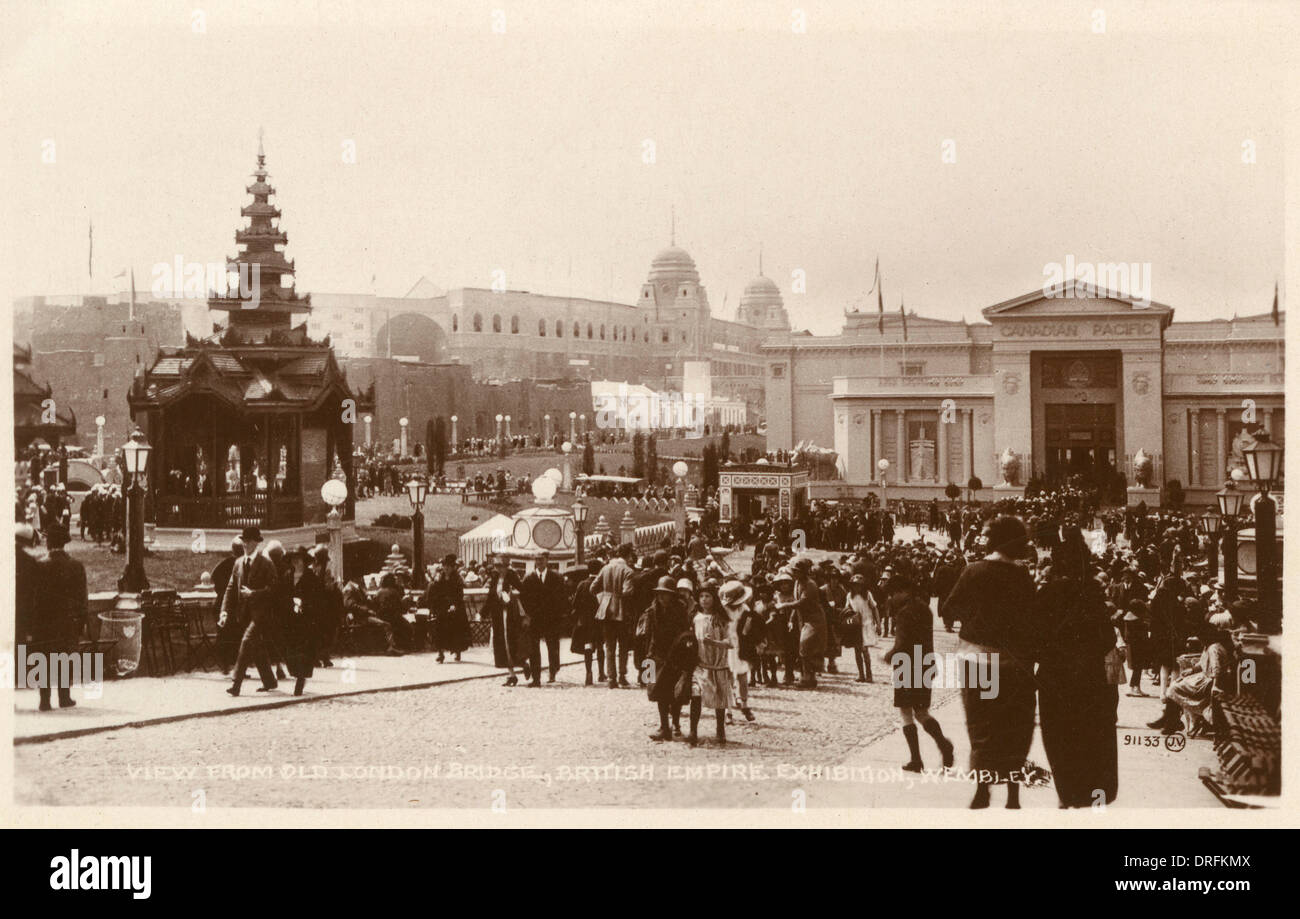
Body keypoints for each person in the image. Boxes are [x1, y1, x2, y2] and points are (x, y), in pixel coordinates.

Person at [943, 514, 1038, 809]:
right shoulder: (1023, 576)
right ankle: (1013, 795)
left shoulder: (974, 571)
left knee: (981, 724)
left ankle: (982, 789)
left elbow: (950, 608)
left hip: (977, 660)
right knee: (1015, 725)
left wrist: (977, 615)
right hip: (1015, 664)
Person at [1035, 527, 1118, 807]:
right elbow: (1107, 637)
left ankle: (1065, 794)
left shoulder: (1046, 594)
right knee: (1087, 735)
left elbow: (1032, 638)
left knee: (1058, 736)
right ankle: (1087, 793)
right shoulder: (1093, 594)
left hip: (1054, 678)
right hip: (1088, 678)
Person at [883, 559, 954, 772]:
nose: (891, 598)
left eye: (892, 593)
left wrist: (888, 655)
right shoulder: (924, 608)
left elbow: (903, 643)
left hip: (906, 665)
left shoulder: (904, 612)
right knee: (922, 712)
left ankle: (916, 759)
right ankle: (943, 744)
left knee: (906, 712)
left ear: (902, 592)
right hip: (925, 663)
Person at [221, 526, 280, 696]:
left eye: (248, 542)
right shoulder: (238, 563)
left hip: (262, 615)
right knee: (256, 647)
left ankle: (236, 684)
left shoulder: (266, 563)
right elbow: (230, 589)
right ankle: (270, 681)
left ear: (256, 543)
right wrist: (224, 611)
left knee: (247, 642)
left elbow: (275, 589)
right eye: (243, 541)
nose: (245, 544)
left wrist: (254, 594)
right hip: (244, 614)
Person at [34, 525, 85, 711]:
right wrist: (81, 622)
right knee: (65, 658)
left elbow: (35, 598)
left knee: (44, 659)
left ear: (48, 543)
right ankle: (65, 697)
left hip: (45, 621)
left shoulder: (40, 565)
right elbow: (82, 599)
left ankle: (44, 700)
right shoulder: (76, 566)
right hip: (68, 620)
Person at [645, 575, 692, 740]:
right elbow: (649, 637)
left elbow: (685, 634)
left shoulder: (680, 611)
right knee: (658, 692)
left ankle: (676, 724)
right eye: (659, 594)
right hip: (657, 657)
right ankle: (664, 727)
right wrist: (648, 659)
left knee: (676, 694)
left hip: (676, 657)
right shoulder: (652, 611)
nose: (662, 597)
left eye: (666, 594)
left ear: (672, 595)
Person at [690, 583, 735, 746]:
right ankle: (693, 731)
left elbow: (730, 643)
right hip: (700, 665)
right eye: (701, 596)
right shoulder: (695, 618)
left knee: (720, 700)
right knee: (695, 696)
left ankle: (720, 731)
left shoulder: (721, 619)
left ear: (713, 598)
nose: (704, 599)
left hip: (718, 665)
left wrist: (714, 643)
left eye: (707, 596)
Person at [590, 543, 635, 688]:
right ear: (628, 556)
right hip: (621, 611)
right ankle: (622, 676)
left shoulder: (605, 568)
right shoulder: (628, 571)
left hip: (605, 611)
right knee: (623, 646)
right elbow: (627, 591)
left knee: (609, 646)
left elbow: (592, 588)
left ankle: (611, 678)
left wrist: (604, 599)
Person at [521, 551, 567, 685]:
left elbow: (561, 597)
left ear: (547, 560)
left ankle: (553, 671)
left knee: (553, 646)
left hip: (551, 618)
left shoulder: (556, 577)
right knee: (534, 648)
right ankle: (536, 678)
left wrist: (560, 614)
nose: (539, 562)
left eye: (541, 559)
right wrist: (529, 614)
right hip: (535, 618)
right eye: (537, 560)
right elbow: (524, 598)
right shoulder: (529, 578)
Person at [283, 547, 324, 696]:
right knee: (290, 652)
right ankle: (298, 674)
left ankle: (300, 680)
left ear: (304, 561)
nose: (296, 561)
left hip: (306, 621)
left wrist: (303, 603)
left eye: (298, 558)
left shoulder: (311, 577)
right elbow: (282, 595)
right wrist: (290, 603)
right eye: (293, 558)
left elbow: (318, 599)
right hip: (289, 620)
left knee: (303, 651)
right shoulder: (288, 575)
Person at [484, 554, 527, 686]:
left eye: (502, 566)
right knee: (502, 645)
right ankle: (511, 674)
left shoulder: (512, 576)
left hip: (511, 616)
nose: (499, 569)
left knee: (512, 643)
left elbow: (522, 591)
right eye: (497, 566)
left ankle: (524, 664)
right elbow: (491, 595)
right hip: (498, 615)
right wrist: (484, 612)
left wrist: (511, 596)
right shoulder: (495, 577)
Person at [425, 554, 470, 663]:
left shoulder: (457, 578)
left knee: (456, 630)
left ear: (453, 567)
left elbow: (459, 594)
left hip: (455, 606)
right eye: (445, 566)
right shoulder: (440, 577)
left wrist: (454, 604)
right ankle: (440, 653)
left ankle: (457, 651)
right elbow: (435, 590)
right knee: (439, 628)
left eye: (449, 566)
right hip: (442, 606)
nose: (446, 568)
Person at [570, 561, 606, 685]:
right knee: (601, 646)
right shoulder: (602, 585)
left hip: (586, 622)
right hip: (599, 621)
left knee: (588, 647)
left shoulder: (582, 584)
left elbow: (575, 604)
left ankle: (588, 673)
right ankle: (601, 673)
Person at [212, 538, 243, 673]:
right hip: (229, 606)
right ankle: (230, 665)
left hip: (224, 605)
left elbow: (214, 577)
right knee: (232, 636)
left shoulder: (226, 564)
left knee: (228, 635)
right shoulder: (238, 564)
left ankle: (229, 665)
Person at [844, 575, 877, 682]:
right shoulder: (850, 596)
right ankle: (861, 674)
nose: (857, 587)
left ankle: (869, 674)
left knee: (865, 650)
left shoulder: (867, 595)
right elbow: (847, 608)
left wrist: (879, 623)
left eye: (859, 585)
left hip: (866, 624)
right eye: (855, 585)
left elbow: (874, 608)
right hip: (855, 625)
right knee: (857, 650)